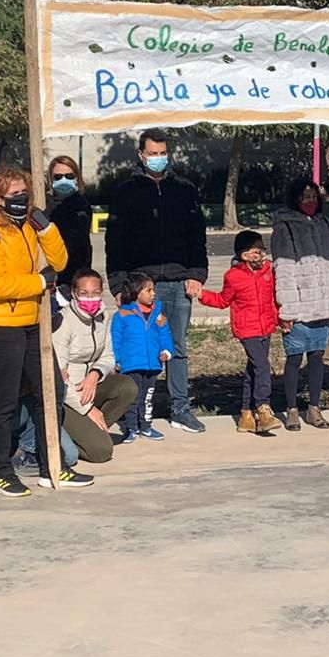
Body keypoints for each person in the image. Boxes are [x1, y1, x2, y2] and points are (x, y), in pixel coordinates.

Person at [0, 166, 69, 496]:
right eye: (14, 196)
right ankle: (0, 471)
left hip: (31, 322)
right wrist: (40, 282)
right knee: (3, 402)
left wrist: (46, 226)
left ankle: (51, 464)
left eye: (25, 194)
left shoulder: (28, 229)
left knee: (50, 393)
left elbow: (61, 261)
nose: (21, 201)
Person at [104, 129, 209, 434]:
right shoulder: (126, 192)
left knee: (176, 346)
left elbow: (196, 236)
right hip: (141, 284)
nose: (159, 159)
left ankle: (180, 408)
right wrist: (119, 284)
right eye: (153, 153)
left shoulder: (185, 189)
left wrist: (196, 274)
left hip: (178, 283)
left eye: (163, 153)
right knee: (137, 351)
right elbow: (116, 240)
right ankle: (133, 415)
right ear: (141, 154)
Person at [270, 176, 329, 432]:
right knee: (294, 359)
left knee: (317, 358)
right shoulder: (285, 227)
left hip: (323, 306)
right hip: (299, 308)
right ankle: (292, 410)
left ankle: (314, 408)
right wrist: (288, 309)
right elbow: (284, 268)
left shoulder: (326, 224)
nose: (310, 201)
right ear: (295, 199)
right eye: (305, 197)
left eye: (313, 196)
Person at [197, 229, 284, 434]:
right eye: (257, 251)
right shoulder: (233, 276)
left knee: (253, 370)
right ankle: (263, 408)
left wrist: (282, 319)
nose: (261, 255)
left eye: (262, 250)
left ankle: (246, 414)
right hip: (247, 329)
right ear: (244, 255)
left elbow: (275, 298)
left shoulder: (268, 271)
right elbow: (222, 300)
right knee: (262, 366)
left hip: (266, 326)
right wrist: (202, 295)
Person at [52, 269, 139, 463]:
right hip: (66, 396)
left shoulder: (103, 316)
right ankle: (70, 434)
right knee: (101, 453)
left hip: (90, 386)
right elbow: (58, 376)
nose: (90, 299)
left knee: (126, 386)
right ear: (74, 293)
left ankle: (89, 433)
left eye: (95, 293)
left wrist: (95, 374)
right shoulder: (63, 321)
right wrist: (87, 410)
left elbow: (108, 355)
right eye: (84, 294)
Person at [112, 271, 174, 443]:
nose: (153, 293)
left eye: (153, 290)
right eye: (148, 290)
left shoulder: (158, 315)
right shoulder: (122, 315)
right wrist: (116, 360)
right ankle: (131, 428)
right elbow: (116, 339)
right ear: (135, 292)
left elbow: (165, 335)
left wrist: (166, 351)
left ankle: (146, 426)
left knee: (147, 398)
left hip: (152, 365)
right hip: (131, 364)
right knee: (132, 398)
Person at [45, 154, 93, 291]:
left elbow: (80, 241)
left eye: (69, 176)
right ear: (51, 179)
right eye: (58, 177)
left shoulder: (82, 204)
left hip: (77, 275)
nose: (64, 180)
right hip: (52, 276)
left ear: (77, 177)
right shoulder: (44, 205)